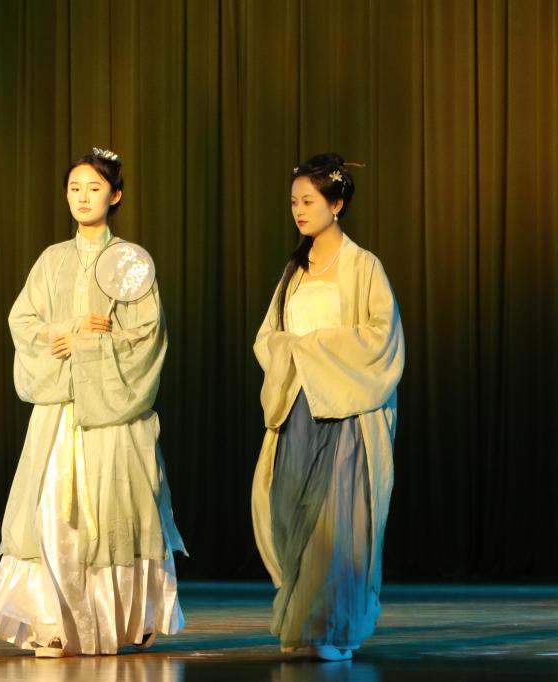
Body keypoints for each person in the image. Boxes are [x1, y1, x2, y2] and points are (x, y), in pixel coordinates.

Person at [0, 148, 186, 657]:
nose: (82, 197)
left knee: (116, 509)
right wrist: (71, 330)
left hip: (112, 412)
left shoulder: (131, 262)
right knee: (52, 513)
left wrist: (91, 346)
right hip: (60, 411)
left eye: (94, 188)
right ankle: (50, 621)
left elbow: (147, 336)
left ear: (115, 196)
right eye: (74, 188)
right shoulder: (52, 260)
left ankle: (120, 622)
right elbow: (22, 322)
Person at [251, 153, 404, 660]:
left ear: (336, 204)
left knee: (337, 522)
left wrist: (314, 346)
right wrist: (291, 350)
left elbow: (381, 337)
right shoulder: (294, 270)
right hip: (297, 405)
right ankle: (303, 623)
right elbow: (268, 337)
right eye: (294, 201)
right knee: (292, 512)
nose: (299, 210)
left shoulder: (363, 266)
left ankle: (331, 628)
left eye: (309, 201)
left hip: (342, 409)